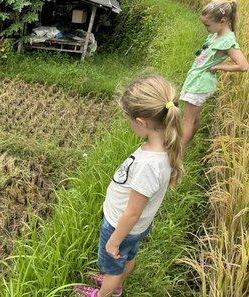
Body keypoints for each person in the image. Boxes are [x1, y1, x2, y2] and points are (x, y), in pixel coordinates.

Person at [74, 76, 183, 297]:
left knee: (113, 263)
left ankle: (106, 292)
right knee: (128, 257)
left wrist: (114, 242)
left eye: (128, 119)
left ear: (141, 122)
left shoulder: (149, 165)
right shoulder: (162, 149)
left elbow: (133, 211)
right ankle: (115, 282)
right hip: (136, 230)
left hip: (119, 227)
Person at [180, 0, 248, 148]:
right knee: (194, 119)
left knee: (188, 121)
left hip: (198, 84)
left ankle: (176, 155)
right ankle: (184, 146)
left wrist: (219, 66)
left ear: (222, 21)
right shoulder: (217, 34)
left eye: (207, 25)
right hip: (197, 80)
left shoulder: (227, 41)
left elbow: (243, 66)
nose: (206, 28)